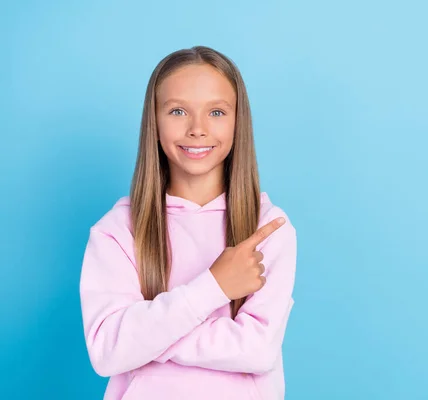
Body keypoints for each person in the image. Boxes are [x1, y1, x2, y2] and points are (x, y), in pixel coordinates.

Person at [79, 45, 297, 400]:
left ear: (238, 121)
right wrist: (214, 287)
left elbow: (257, 350)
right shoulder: (116, 231)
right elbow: (107, 351)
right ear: (154, 120)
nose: (198, 129)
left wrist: (148, 337)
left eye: (216, 111)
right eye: (178, 110)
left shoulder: (268, 228)